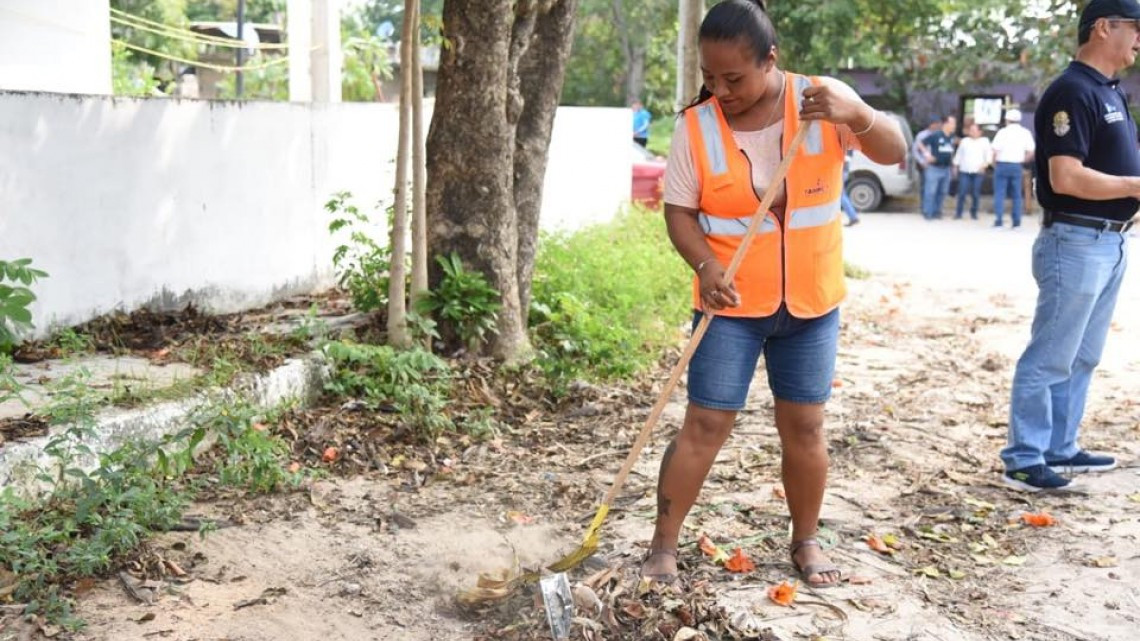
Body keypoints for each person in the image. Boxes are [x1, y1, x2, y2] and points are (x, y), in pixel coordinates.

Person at [645, 0, 906, 588]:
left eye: (733, 78)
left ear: (770, 60)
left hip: (810, 303)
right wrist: (706, 266)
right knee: (704, 424)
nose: (721, 91)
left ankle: (806, 540)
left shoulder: (823, 101)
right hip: (730, 305)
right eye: (710, 77)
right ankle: (663, 545)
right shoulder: (697, 126)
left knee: (805, 426)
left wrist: (858, 113)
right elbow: (679, 213)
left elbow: (893, 151)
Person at [1000, 0, 1140, 492]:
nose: (1139, 38)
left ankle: (1060, 446)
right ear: (1103, 27)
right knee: (1051, 354)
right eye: (1135, 27)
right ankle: (1024, 458)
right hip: (1076, 239)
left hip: (1109, 240)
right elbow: (1066, 176)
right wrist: (1133, 185)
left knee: (1083, 354)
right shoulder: (1073, 91)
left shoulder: (1108, 91)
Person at [991, 108, 1037, 227]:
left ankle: (999, 221)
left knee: (1000, 193)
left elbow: (995, 151)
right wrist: (1022, 160)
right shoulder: (1025, 132)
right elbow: (1031, 151)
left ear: (1007, 120)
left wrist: (994, 163)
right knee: (1016, 194)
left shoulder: (1002, 132)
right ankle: (1016, 222)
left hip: (1002, 164)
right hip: (1016, 165)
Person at [916, 115, 957, 219]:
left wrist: (953, 165)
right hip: (934, 168)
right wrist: (927, 155)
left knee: (942, 192)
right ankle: (927, 212)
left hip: (946, 168)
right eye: (952, 123)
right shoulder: (936, 135)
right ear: (946, 124)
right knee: (930, 191)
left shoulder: (952, 136)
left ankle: (937, 212)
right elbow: (920, 144)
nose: (954, 125)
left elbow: (951, 150)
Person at [953, 122, 992, 220]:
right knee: (962, 192)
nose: (972, 132)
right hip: (965, 170)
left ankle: (974, 212)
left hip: (978, 172)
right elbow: (959, 155)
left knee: (975, 193)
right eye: (971, 130)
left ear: (980, 132)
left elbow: (989, 156)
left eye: (974, 130)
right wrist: (955, 166)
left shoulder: (985, 142)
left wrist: (985, 165)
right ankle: (958, 213)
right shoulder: (965, 141)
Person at [841, 151, 860, 226]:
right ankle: (853, 217)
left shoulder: (846, 148)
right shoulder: (849, 148)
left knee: (840, 195)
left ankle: (853, 217)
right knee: (840, 195)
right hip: (843, 171)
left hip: (841, 171)